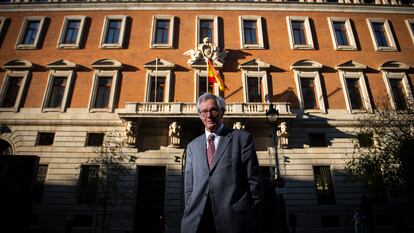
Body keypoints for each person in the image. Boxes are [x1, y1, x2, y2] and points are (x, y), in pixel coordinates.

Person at [181, 93, 263, 233]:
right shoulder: (192, 147)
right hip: (198, 222)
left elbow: (254, 181)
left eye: (213, 110)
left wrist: (248, 213)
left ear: (222, 112)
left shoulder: (242, 139)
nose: (209, 115)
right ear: (200, 115)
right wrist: (189, 209)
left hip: (234, 221)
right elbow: (189, 187)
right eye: (204, 111)